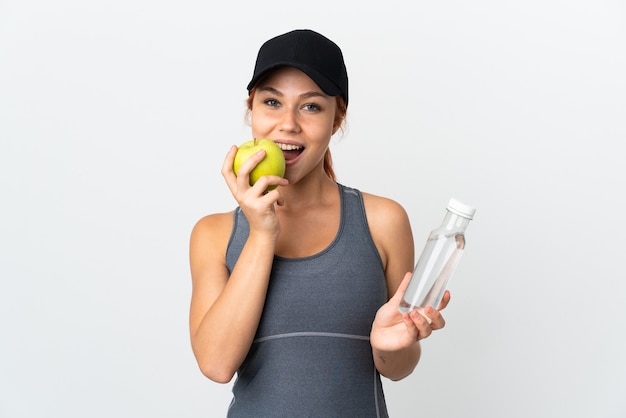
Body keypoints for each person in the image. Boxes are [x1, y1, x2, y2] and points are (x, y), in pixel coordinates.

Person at [188, 29, 450, 417]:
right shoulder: (214, 234)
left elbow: (399, 366)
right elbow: (216, 364)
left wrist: (386, 345)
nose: (288, 124)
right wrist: (262, 232)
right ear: (251, 109)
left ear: (336, 117)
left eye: (310, 106)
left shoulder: (382, 221)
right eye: (272, 102)